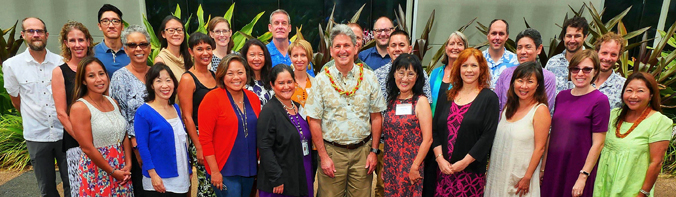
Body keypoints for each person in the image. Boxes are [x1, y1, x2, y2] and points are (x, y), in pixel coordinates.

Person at [305, 24, 387, 197]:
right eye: (338, 46)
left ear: (355, 47)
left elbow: (376, 117)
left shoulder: (369, 77)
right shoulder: (321, 80)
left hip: (363, 153)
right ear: (332, 50)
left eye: (347, 45)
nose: (343, 50)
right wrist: (323, 156)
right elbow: (314, 121)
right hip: (332, 153)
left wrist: (374, 151)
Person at [3, 17, 69, 197]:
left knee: (72, 183)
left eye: (39, 31)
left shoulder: (61, 62)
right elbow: (16, 100)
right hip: (36, 135)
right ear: (23, 35)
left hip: (64, 133)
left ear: (46, 35)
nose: (36, 34)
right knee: (47, 188)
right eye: (31, 31)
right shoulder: (11, 66)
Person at [541, 50, 610, 197]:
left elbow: (598, 144)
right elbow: (553, 134)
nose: (580, 73)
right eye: (575, 69)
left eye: (587, 69)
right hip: (554, 165)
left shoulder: (600, 100)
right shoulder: (562, 96)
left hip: (577, 167)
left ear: (595, 71)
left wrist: (583, 175)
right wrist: (543, 167)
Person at [431, 48, 499, 196]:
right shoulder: (447, 96)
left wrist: (464, 163)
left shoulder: (489, 98)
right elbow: (435, 130)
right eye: (464, 65)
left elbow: (487, 137)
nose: (469, 70)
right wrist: (440, 159)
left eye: (474, 65)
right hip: (444, 171)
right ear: (458, 68)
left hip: (470, 173)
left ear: (481, 69)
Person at [372, 29, 432, 197]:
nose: (405, 79)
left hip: (412, 165)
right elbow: (389, 137)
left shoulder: (421, 102)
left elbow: (428, 139)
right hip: (391, 165)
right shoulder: (391, 102)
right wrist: (385, 166)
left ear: (417, 77)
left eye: (410, 74)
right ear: (394, 74)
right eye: (401, 73)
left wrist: (415, 167)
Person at [594, 72, 672, 197]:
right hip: (602, 186)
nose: (633, 96)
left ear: (651, 95)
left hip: (632, 190)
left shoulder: (660, 122)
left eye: (640, 91)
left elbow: (656, 162)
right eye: (629, 90)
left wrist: (642, 193)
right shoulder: (614, 115)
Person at [484, 62, 551, 197]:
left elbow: (540, 148)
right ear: (513, 82)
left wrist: (527, 177)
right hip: (498, 175)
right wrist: (489, 169)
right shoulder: (507, 109)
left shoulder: (540, 110)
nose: (524, 86)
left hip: (520, 179)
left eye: (530, 81)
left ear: (538, 85)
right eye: (520, 80)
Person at [199, 54, 262, 197]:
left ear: (246, 73)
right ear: (222, 75)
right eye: (230, 73)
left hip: (249, 166)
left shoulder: (253, 98)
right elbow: (205, 139)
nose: (236, 77)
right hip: (224, 168)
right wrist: (214, 171)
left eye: (240, 72)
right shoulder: (211, 99)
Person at [69, 57, 133, 195]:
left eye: (101, 73)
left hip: (122, 168)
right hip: (97, 170)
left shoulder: (113, 102)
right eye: (91, 76)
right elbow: (87, 147)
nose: (99, 79)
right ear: (84, 81)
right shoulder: (80, 107)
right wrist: (112, 171)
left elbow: (124, 135)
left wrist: (128, 164)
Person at [257, 64, 314, 197]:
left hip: (301, 170)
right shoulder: (269, 111)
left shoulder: (298, 107)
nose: (286, 86)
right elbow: (265, 147)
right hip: (279, 179)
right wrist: (276, 178)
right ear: (272, 85)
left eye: (289, 82)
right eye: (281, 83)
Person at [109, 24, 153, 197]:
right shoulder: (120, 77)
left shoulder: (156, 74)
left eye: (143, 44)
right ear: (125, 50)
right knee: (142, 190)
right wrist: (137, 148)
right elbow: (120, 117)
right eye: (133, 45)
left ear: (149, 48)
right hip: (135, 149)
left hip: (158, 142)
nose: (139, 49)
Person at [135, 63, 191, 196]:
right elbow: (142, 147)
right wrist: (153, 174)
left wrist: (188, 169)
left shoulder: (176, 108)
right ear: (151, 85)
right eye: (159, 81)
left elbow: (181, 143)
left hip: (180, 176)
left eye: (168, 80)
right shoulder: (143, 112)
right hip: (159, 180)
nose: (165, 85)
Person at [52, 21, 94, 196]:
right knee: (80, 188)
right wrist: (84, 141)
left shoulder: (96, 68)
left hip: (100, 138)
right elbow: (62, 113)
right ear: (66, 44)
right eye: (72, 40)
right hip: (76, 142)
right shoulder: (59, 72)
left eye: (81, 40)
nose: (78, 45)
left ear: (88, 42)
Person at [177, 32, 218, 197]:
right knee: (206, 183)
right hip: (200, 137)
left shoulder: (215, 75)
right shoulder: (188, 79)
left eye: (208, 48)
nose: (205, 53)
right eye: (199, 49)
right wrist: (199, 147)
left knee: (218, 182)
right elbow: (186, 116)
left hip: (218, 135)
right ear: (191, 51)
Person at [494, 28, 557, 112]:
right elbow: (496, 105)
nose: (523, 52)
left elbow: (544, 109)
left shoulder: (547, 78)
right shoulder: (506, 74)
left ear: (539, 49)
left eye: (528, 47)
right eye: (519, 48)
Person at [545, 16, 589, 95]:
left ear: (585, 37)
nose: (572, 40)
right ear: (564, 37)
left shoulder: (591, 63)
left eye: (577, 36)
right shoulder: (552, 63)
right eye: (569, 36)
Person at [266, 9, 315, 77]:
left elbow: (311, 80)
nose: (280, 27)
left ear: (289, 28)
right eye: (276, 23)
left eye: (284, 23)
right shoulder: (264, 53)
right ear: (270, 27)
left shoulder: (300, 51)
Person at [429, 31, 467, 116]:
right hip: (433, 123)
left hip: (455, 124)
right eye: (452, 44)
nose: (455, 47)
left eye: (460, 44)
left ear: (465, 49)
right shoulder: (434, 73)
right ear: (446, 48)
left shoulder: (467, 75)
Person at [593, 32, 627, 110]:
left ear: (619, 57)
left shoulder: (623, 86)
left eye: (613, 54)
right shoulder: (581, 78)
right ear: (596, 52)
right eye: (604, 53)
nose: (608, 58)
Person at [94, 4, 130, 76]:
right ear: (99, 26)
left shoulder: (132, 51)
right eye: (105, 21)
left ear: (122, 26)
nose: (111, 26)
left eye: (115, 21)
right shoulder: (93, 53)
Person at [155, 15, 193, 82]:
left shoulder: (189, 56)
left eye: (179, 30)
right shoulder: (161, 60)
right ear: (163, 34)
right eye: (171, 30)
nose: (176, 33)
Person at [482, 19, 518, 88]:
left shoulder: (516, 61)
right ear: (488, 36)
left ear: (507, 37)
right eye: (494, 33)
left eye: (501, 34)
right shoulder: (478, 59)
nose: (497, 37)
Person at [242, 39, 275, 106]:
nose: (257, 58)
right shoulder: (241, 82)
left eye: (260, 54)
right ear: (245, 57)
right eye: (252, 55)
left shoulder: (273, 79)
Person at [288, 39, 316, 107]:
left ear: (309, 57)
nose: (299, 59)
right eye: (295, 56)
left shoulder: (317, 83)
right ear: (290, 57)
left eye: (303, 55)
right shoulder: (285, 83)